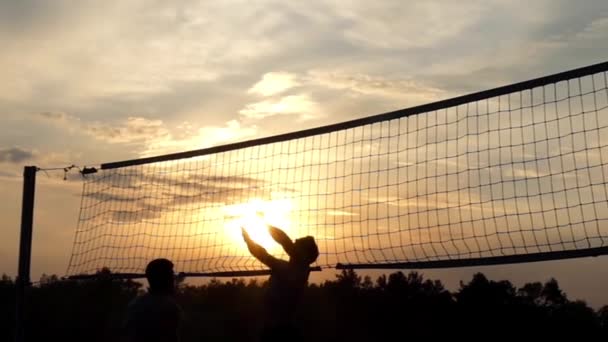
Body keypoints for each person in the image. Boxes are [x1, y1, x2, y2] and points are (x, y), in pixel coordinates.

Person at [242, 225, 319, 341]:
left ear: (303, 254)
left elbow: (282, 243)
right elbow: (281, 243)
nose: (295, 241)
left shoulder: (293, 270)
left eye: (297, 243)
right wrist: (252, 236)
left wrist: (252, 235)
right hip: (278, 327)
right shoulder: (294, 268)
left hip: (279, 330)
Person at [123, 258, 183, 342]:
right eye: (171, 275)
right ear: (165, 279)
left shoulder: (135, 304)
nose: (173, 279)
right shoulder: (169, 307)